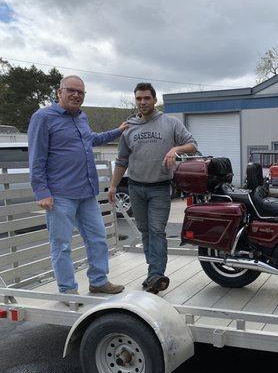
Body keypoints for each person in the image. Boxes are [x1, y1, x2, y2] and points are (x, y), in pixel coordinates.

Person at [28, 75, 127, 296]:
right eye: (71, 90)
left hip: (87, 192)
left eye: (80, 92)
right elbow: (36, 158)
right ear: (59, 92)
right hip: (60, 194)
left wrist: (117, 131)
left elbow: (90, 139)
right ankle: (68, 290)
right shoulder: (42, 118)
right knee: (62, 245)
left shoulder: (82, 117)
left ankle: (98, 281)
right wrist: (41, 191)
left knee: (98, 238)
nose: (76, 95)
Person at [109, 82, 197, 294]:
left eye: (146, 98)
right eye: (138, 98)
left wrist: (175, 149)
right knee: (145, 232)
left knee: (157, 231)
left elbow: (193, 145)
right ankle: (153, 273)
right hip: (135, 188)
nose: (142, 102)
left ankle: (157, 274)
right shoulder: (129, 128)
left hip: (159, 188)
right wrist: (113, 186)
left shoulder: (170, 123)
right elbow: (122, 161)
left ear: (155, 100)